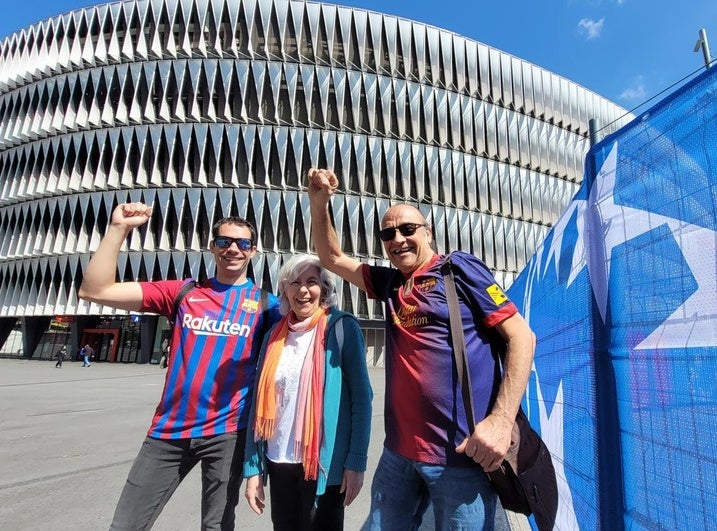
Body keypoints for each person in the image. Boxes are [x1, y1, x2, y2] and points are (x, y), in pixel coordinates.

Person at [307, 168, 536, 530]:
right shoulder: (389, 284)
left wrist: (501, 421)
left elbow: (521, 337)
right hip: (398, 455)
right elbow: (332, 257)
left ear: (427, 231)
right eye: (388, 233)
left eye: (407, 229)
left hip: (460, 458)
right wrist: (319, 203)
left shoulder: (457, 269)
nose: (398, 238)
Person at [78, 202, 281, 531]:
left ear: (254, 251)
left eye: (242, 243)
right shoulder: (184, 292)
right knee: (126, 525)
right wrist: (118, 228)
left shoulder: (266, 305)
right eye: (224, 241)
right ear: (211, 246)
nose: (233, 249)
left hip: (228, 433)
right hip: (168, 432)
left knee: (216, 526)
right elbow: (95, 290)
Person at [243, 255, 372, 531]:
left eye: (312, 282)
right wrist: (253, 468)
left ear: (324, 289)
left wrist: (356, 463)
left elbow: (362, 399)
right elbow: (258, 404)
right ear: (285, 290)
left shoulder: (342, 328)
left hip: (324, 464)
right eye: (295, 283)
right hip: (278, 460)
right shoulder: (273, 336)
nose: (303, 290)